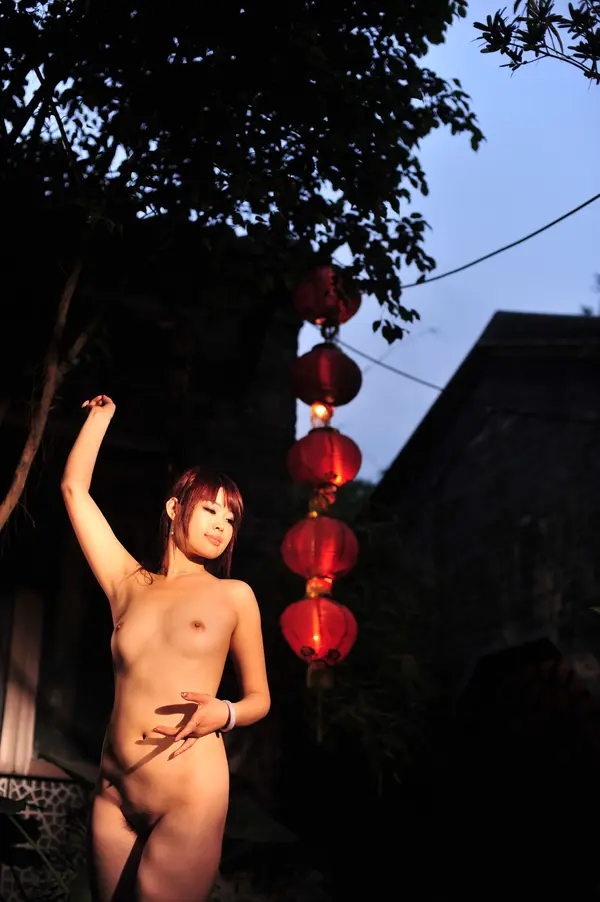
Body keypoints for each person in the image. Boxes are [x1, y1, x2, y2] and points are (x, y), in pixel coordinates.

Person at [61, 395, 271, 902]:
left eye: (231, 518)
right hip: (114, 792)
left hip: (188, 794)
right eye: (210, 509)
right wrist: (101, 418)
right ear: (176, 508)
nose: (221, 525)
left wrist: (223, 713)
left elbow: (259, 698)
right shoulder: (127, 584)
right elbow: (74, 490)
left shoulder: (234, 596)